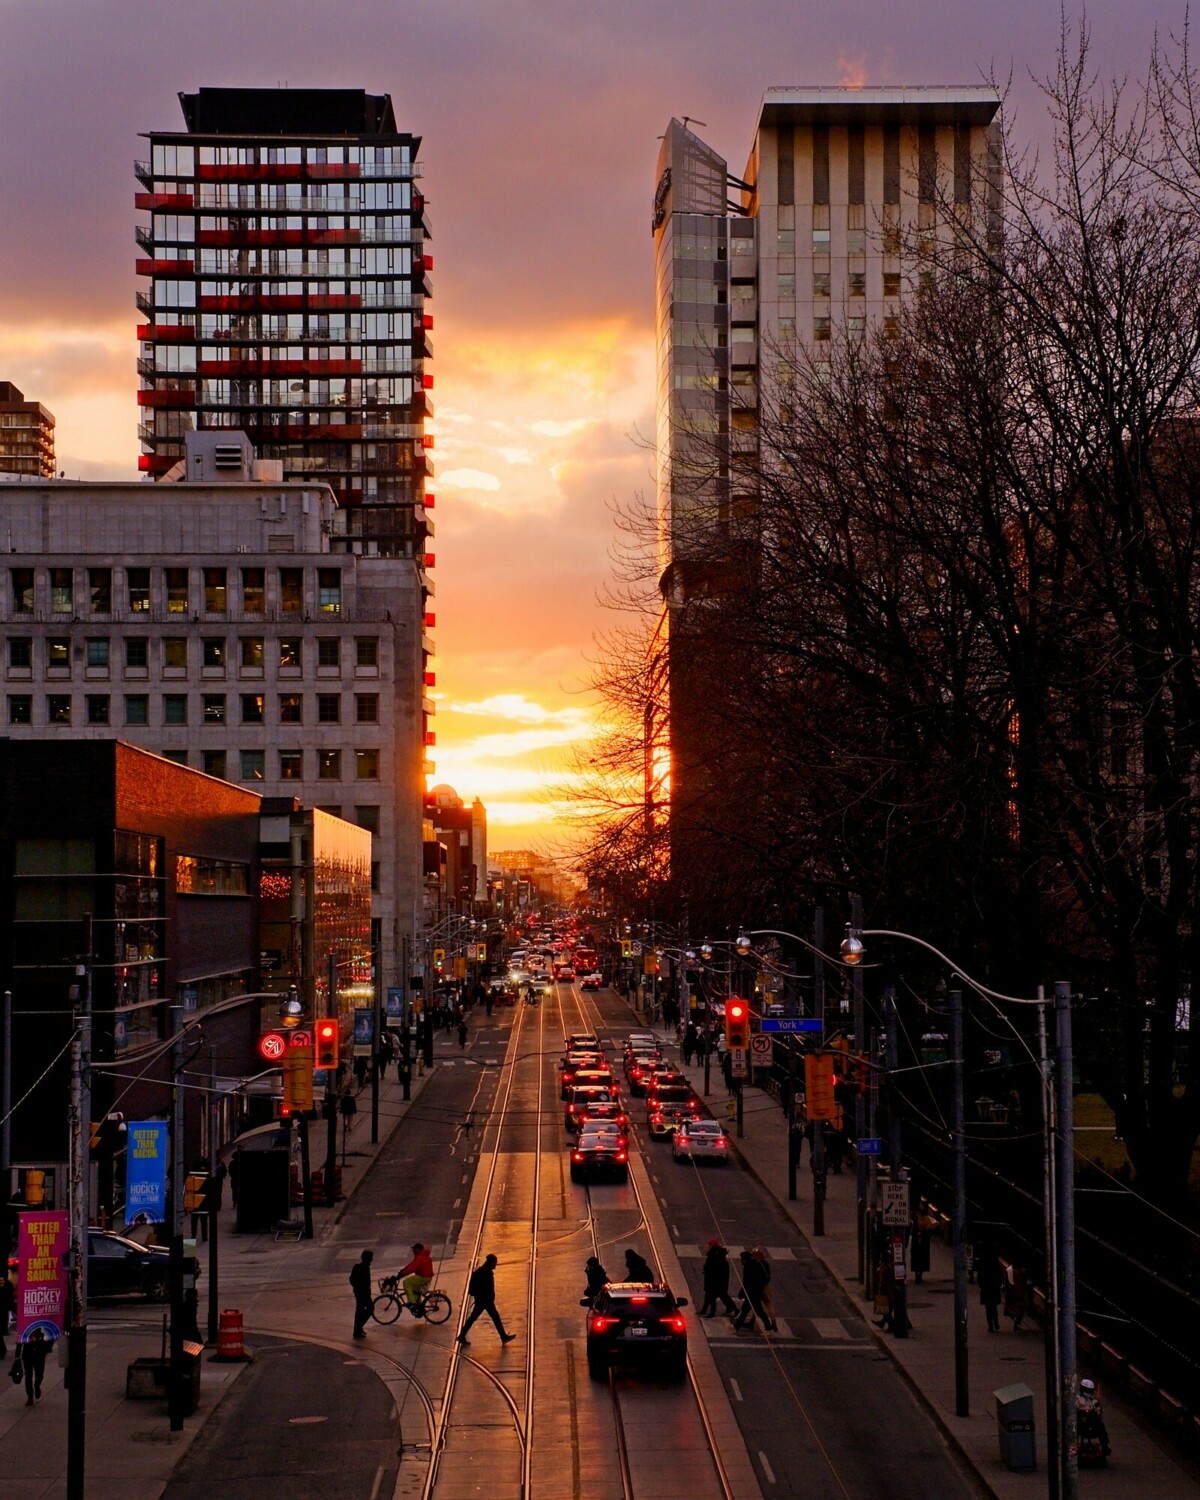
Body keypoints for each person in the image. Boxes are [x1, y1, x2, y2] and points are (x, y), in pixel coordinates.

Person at [456, 1253, 515, 1346]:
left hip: (482, 1299)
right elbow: (488, 1288)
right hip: (485, 1300)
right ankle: (503, 1337)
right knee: (494, 1317)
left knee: (475, 1318)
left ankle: (462, 1335)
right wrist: (489, 1297)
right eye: (495, 1262)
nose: (496, 1264)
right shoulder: (486, 1273)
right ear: (492, 1262)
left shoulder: (480, 1271)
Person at [732, 1248, 770, 1331]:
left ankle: (768, 1328)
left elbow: (746, 1281)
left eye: (741, 1259)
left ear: (744, 1260)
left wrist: (742, 1293)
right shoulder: (754, 1264)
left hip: (753, 1293)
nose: (740, 1261)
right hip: (754, 1291)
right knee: (745, 1310)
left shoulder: (748, 1267)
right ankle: (736, 1327)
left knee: (759, 1311)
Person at [698, 1239, 737, 1318]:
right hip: (720, 1280)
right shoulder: (722, 1258)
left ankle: (712, 1312)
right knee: (718, 1295)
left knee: (711, 1296)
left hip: (714, 1280)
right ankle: (705, 1310)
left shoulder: (712, 1256)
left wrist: (706, 1270)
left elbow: (711, 1268)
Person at [1077, 1377, 1111, 1456]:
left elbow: (1099, 1412)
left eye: (1089, 1391)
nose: (1088, 1393)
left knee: (1101, 1425)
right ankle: (1071, 1448)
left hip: (1092, 1424)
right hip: (1080, 1424)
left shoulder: (1094, 1401)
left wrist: (1097, 1412)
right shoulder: (1076, 1399)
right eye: (1086, 1390)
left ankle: (1104, 1446)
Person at [975, 1241, 1004, 1332]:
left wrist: (981, 1284)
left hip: (986, 1287)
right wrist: (998, 1283)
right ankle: (996, 1322)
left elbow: (980, 1276)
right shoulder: (996, 1263)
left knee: (988, 1307)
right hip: (994, 1286)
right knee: (994, 1307)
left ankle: (990, 1325)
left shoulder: (983, 1263)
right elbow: (1000, 1276)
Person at [400, 1242, 434, 1311]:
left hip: (423, 1277)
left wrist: (403, 1274)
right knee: (415, 1289)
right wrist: (403, 1270)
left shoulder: (420, 1257)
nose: (413, 1252)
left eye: (414, 1250)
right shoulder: (423, 1256)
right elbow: (411, 1264)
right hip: (425, 1277)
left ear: (418, 1250)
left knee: (406, 1282)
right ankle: (419, 1306)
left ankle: (412, 1302)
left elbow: (413, 1268)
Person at [21, 1328, 52, 1403]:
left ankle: (37, 1385)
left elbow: (51, 1337)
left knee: (39, 1374)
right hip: (28, 1352)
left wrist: (47, 1347)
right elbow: (20, 1338)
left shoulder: (42, 1331)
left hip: (39, 1352)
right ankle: (30, 1396)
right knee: (28, 1375)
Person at [349, 1249, 374, 1339]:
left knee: (361, 1310)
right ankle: (358, 1328)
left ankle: (358, 1328)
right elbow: (353, 1279)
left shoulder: (361, 1266)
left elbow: (351, 1279)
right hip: (363, 1293)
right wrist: (359, 1287)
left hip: (361, 1292)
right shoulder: (361, 1267)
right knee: (367, 1309)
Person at [1004, 1262, 1029, 1331]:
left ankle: (1015, 1318)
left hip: (1013, 1291)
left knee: (1014, 1306)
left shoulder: (1009, 1270)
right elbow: (1025, 1281)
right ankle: (1018, 1322)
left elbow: (1007, 1281)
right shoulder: (1023, 1271)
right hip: (1021, 1290)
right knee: (1021, 1308)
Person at [0, 1268, 14, 1360]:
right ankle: (2, 1351)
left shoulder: (7, 1287)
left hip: (3, 1312)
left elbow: (9, 1301)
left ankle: (2, 1351)